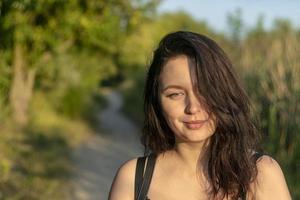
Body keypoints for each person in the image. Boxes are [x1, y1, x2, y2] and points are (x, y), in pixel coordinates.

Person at [108, 31, 291, 200]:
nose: (193, 108)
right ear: (157, 102)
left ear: (225, 93)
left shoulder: (261, 174)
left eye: (205, 91)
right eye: (175, 94)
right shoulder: (132, 180)